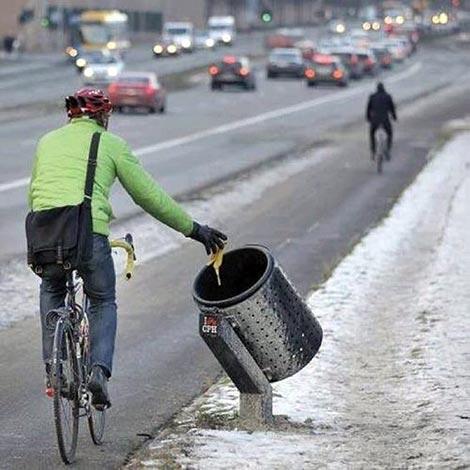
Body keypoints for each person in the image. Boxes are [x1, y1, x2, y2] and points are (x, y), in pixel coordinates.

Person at [28, 88, 227, 408]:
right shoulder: (110, 144)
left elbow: (35, 194)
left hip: (44, 233)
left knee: (51, 288)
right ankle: (98, 371)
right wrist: (194, 230)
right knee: (103, 300)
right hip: (87, 233)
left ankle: (54, 368)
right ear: (103, 117)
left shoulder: (46, 142)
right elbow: (148, 196)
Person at [366, 82, 397, 160]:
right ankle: (388, 149)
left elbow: (368, 109)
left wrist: (368, 118)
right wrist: (394, 117)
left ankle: (373, 151)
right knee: (389, 133)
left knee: (372, 134)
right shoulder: (388, 96)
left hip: (375, 120)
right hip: (385, 120)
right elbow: (392, 109)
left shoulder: (372, 97)